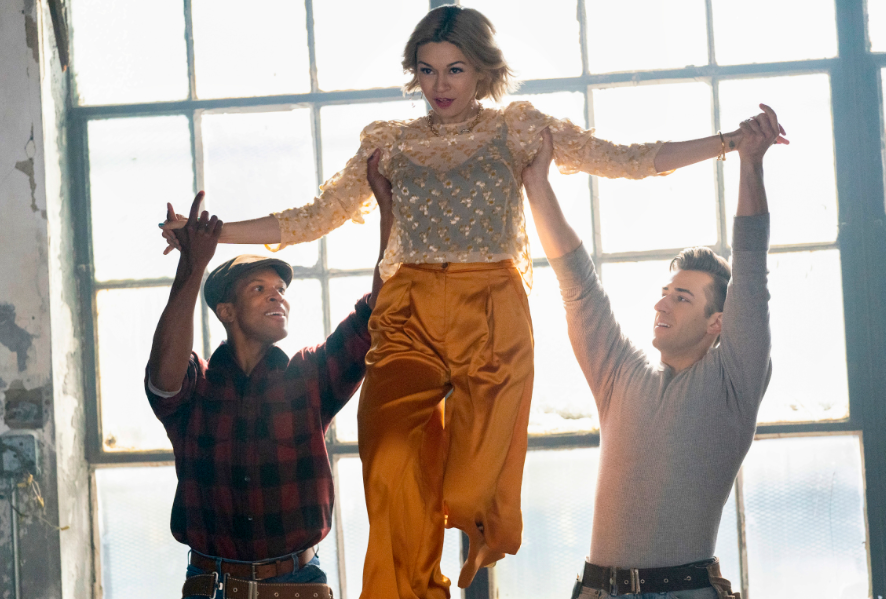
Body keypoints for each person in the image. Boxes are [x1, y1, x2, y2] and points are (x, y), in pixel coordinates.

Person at [160, 7, 783, 598]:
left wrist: (733, 142)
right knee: (391, 465)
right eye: (427, 70)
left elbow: (631, 160)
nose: (440, 85)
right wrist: (209, 236)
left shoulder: (518, 128)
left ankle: (474, 528)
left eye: (455, 69)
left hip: (491, 313)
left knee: (469, 490)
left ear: (483, 70)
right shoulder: (389, 143)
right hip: (407, 313)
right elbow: (313, 216)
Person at [518, 104, 783, 599]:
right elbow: (577, 282)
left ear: (718, 322)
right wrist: (537, 184)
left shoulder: (733, 381)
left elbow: (751, 267)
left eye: (682, 298)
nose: (662, 303)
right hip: (596, 590)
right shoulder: (620, 374)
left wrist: (750, 162)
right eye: (664, 293)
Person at [145, 186, 392, 598]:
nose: (277, 295)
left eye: (280, 289)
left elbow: (378, 312)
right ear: (227, 311)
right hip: (212, 588)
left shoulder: (309, 376)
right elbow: (162, 377)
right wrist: (193, 262)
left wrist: (389, 212)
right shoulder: (195, 387)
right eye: (258, 289)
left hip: (298, 586)